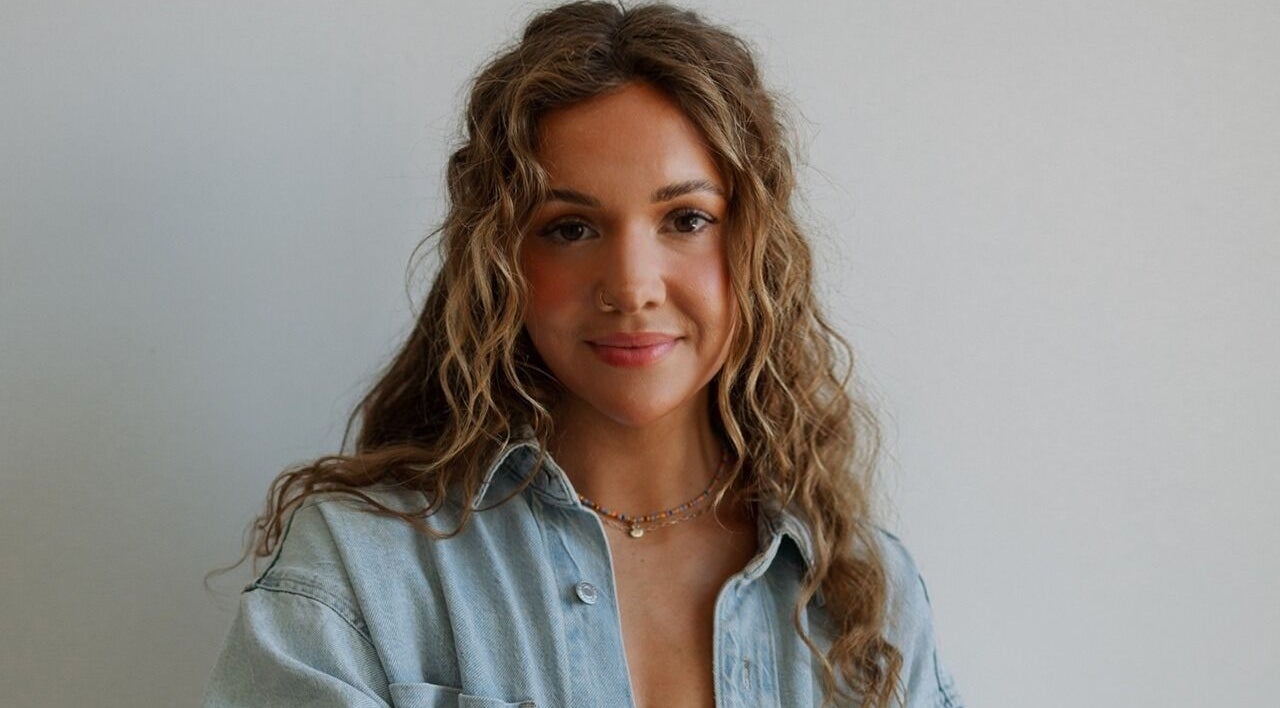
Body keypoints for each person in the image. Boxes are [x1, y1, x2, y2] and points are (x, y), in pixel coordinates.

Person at [202, 1, 963, 706]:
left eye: (686, 219)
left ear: (756, 249)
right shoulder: (361, 573)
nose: (631, 286)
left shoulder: (866, 596)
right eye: (570, 227)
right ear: (501, 262)